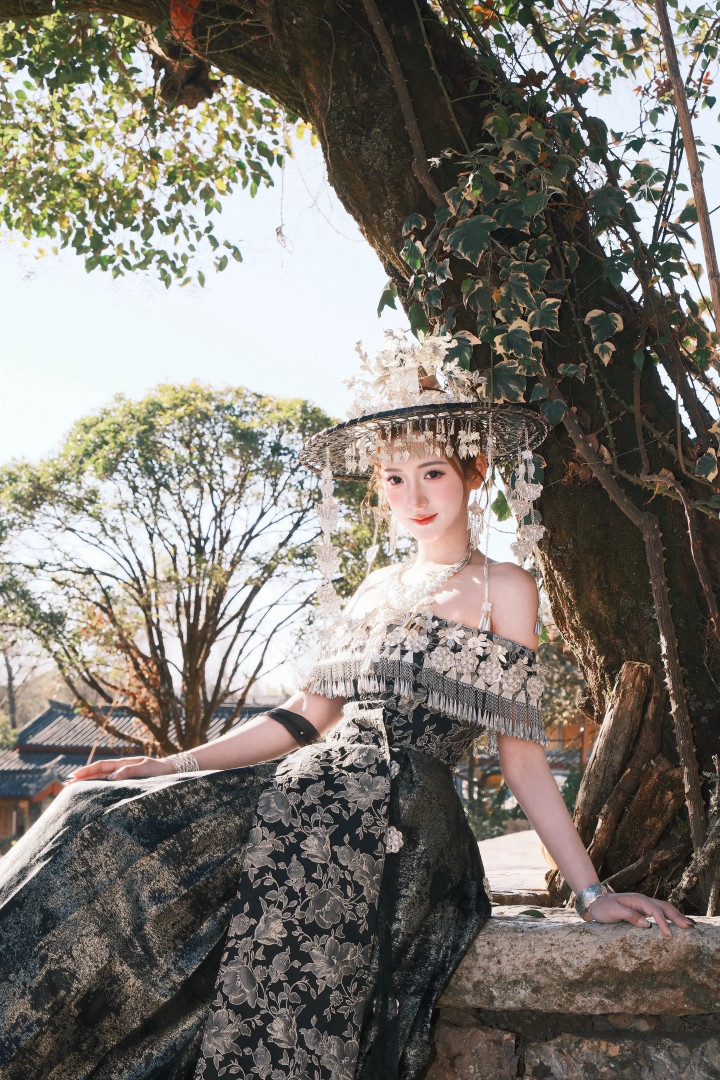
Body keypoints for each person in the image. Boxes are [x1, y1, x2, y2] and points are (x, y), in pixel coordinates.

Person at [0, 331, 692, 1080]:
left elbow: (521, 761)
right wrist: (170, 764)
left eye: (432, 473)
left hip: (405, 808)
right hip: (316, 779)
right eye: (394, 479)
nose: (413, 499)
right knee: (98, 812)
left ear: (475, 473)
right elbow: (301, 718)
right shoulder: (373, 589)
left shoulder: (505, 587)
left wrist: (590, 893)